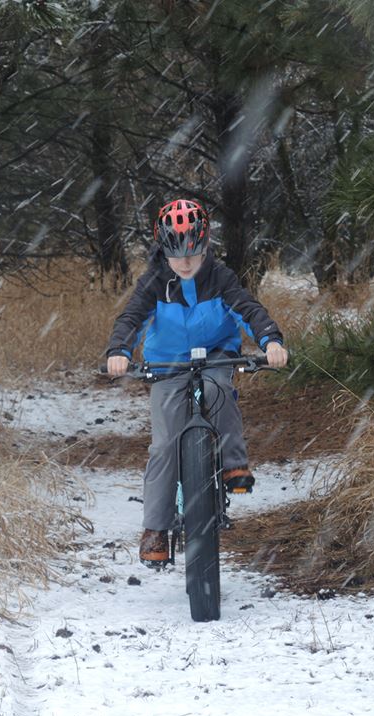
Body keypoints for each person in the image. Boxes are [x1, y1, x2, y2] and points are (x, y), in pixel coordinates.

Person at [105, 198, 288, 566]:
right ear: (163, 249)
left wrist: (271, 340)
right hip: (167, 363)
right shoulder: (154, 282)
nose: (185, 262)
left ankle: (234, 464)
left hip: (217, 353)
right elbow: (131, 319)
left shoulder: (220, 278)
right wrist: (120, 350)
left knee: (220, 391)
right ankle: (155, 528)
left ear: (205, 246)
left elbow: (248, 309)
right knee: (163, 444)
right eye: (177, 254)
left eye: (193, 252)